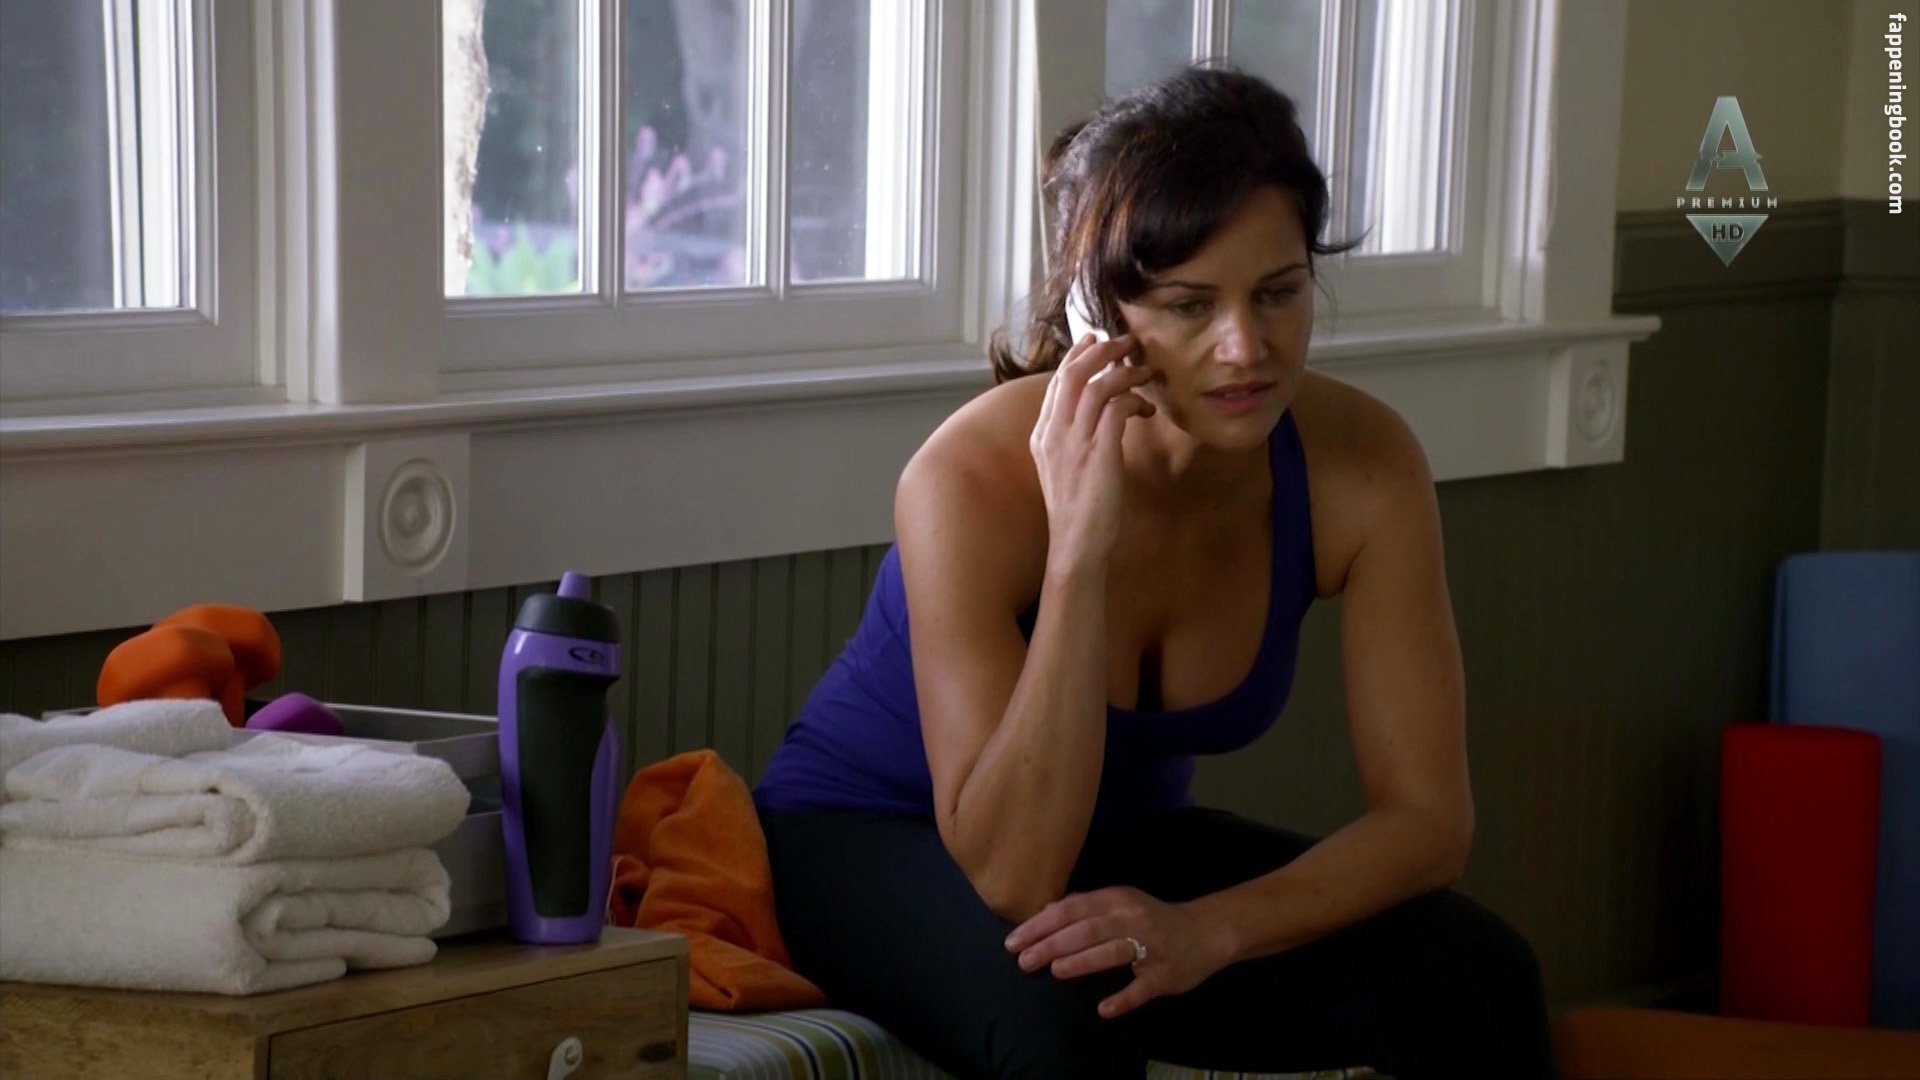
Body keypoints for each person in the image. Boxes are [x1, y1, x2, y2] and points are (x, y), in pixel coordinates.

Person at [751, 66, 1556, 1079]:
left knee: (1483, 981)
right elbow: (1015, 874)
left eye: (1279, 293)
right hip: (867, 837)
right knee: (1073, 1018)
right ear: (1101, 313)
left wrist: (1207, 930)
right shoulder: (967, 480)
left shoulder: (1363, 466)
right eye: (1188, 305)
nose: (1246, 349)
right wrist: (1080, 547)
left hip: (1125, 839)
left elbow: (1430, 825)